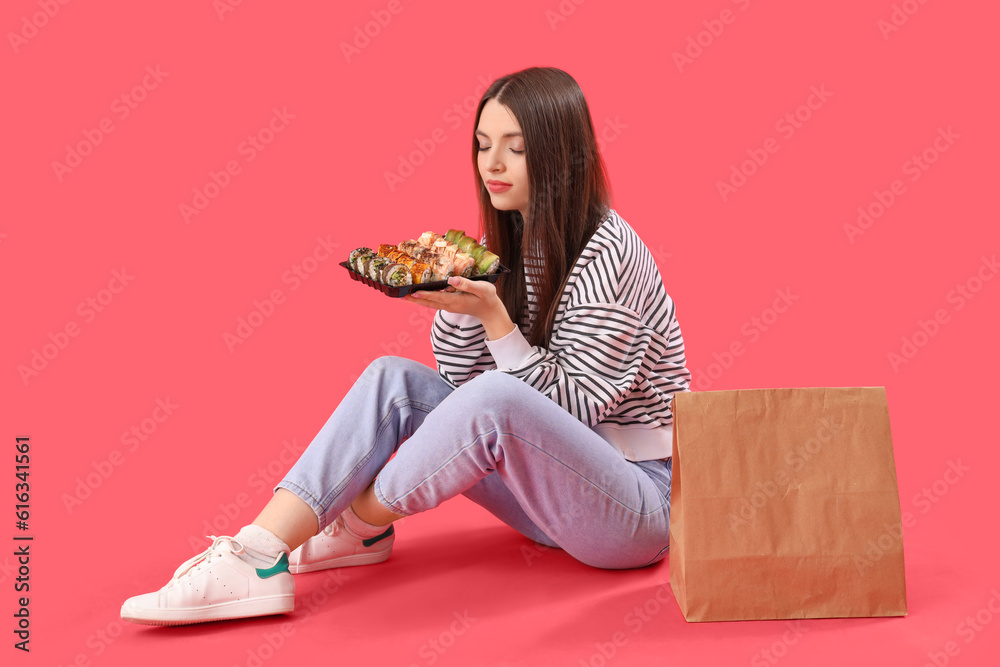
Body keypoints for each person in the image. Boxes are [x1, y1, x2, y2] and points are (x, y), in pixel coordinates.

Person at [120, 67, 691, 626]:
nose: (491, 164)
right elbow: (463, 393)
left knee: (497, 398)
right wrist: (456, 305)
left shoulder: (609, 253)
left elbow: (567, 409)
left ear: (563, 156)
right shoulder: (517, 238)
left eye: (515, 149)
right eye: (483, 144)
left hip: (636, 504)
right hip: (547, 498)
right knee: (393, 378)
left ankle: (355, 520)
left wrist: (495, 318)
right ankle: (257, 551)